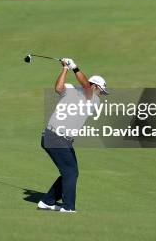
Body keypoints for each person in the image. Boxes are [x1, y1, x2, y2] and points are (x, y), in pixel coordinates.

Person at [37, 58, 108, 213]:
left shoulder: (93, 100)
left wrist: (72, 67)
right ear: (95, 86)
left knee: (70, 172)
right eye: (101, 90)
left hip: (62, 139)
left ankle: (47, 201)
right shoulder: (73, 89)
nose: (101, 94)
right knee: (70, 172)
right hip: (55, 136)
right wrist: (67, 68)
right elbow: (58, 87)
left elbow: (85, 86)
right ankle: (68, 207)